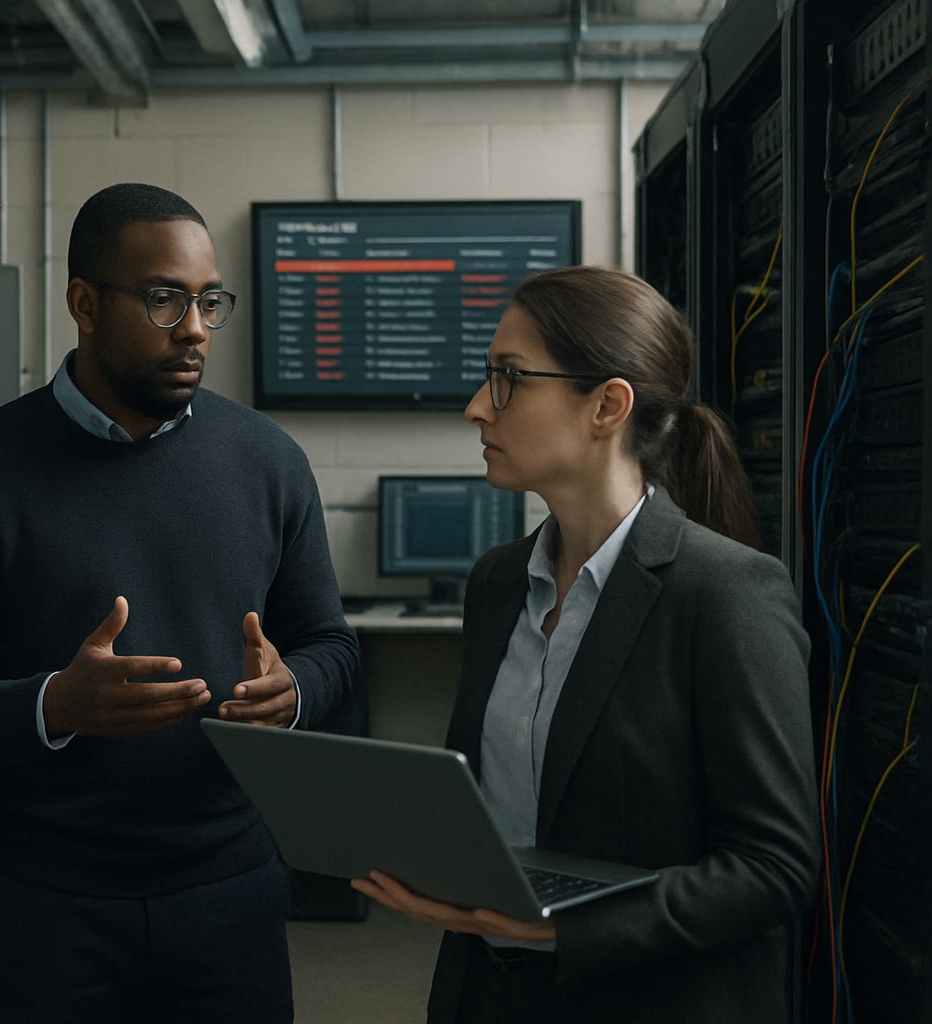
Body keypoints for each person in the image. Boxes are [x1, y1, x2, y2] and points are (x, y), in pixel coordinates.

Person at [0, 182, 359, 1023]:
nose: (195, 327)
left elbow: (332, 646)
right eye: (165, 299)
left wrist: (295, 692)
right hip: (45, 910)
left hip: (231, 896)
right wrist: (54, 706)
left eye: (210, 301)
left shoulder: (269, 462)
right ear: (85, 304)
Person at [351, 265, 818, 1022]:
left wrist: (560, 928)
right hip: (489, 991)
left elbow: (773, 868)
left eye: (508, 379)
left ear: (607, 405)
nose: (476, 408)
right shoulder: (497, 582)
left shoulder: (728, 593)